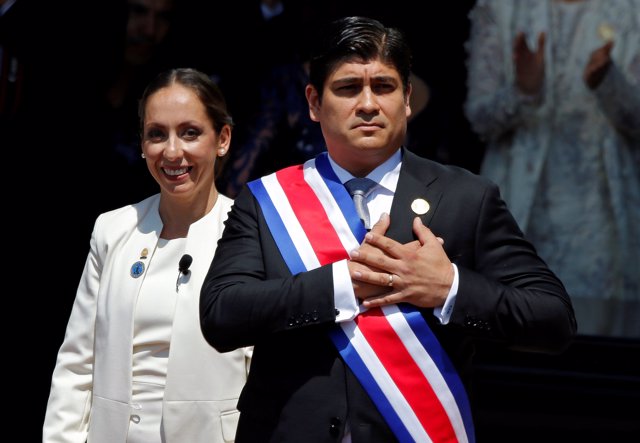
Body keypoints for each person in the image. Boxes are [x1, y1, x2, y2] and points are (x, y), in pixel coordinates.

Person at [200, 16, 576, 442]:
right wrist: (343, 283)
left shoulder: (467, 197)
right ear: (313, 102)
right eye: (347, 88)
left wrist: (449, 288)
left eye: (383, 86)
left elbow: (553, 319)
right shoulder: (267, 199)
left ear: (408, 98)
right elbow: (221, 315)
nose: (367, 104)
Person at [44, 68, 251, 443]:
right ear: (142, 144)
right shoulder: (113, 229)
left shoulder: (251, 234)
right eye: (157, 134)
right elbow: (77, 364)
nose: (172, 152)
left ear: (222, 139)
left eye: (190, 132)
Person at [465, 0, 640, 337]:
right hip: (520, 209)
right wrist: (524, 91)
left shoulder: (630, 10)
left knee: (597, 346)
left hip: (603, 220)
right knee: (518, 336)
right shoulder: (502, 9)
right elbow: (480, 118)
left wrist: (609, 82)